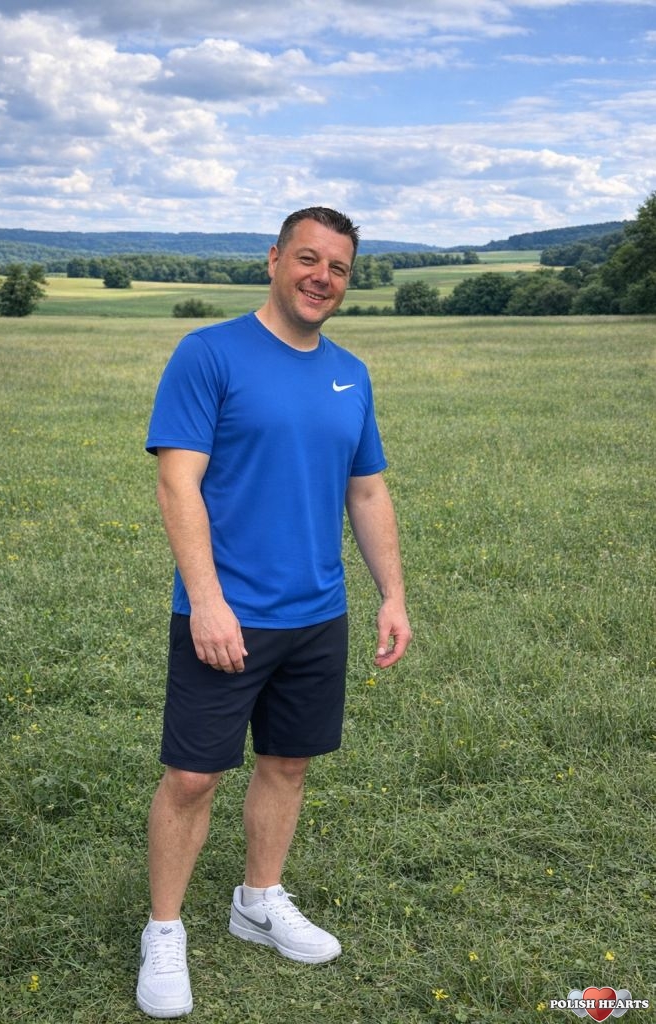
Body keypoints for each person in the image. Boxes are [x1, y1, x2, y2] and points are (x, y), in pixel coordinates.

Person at [137, 207, 412, 1018]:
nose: (322, 277)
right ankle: (163, 929)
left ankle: (257, 900)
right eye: (308, 259)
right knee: (192, 776)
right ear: (274, 259)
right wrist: (207, 603)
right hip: (227, 613)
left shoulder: (350, 373)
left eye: (338, 268)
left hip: (317, 613)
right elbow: (177, 482)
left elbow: (366, 491)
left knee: (288, 764)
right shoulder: (209, 353)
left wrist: (392, 594)